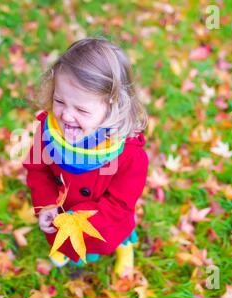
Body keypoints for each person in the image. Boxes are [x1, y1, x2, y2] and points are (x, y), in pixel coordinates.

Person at [22, 37, 149, 278]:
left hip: (102, 221)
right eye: (59, 101)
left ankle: (125, 248)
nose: (67, 116)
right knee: (66, 241)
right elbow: (37, 170)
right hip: (61, 212)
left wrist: (78, 222)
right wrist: (46, 204)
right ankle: (67, 248)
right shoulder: (49, 131)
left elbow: (121, 204)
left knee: (112, 236)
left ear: (113, 107)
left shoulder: (129, 154)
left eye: (81, 110)